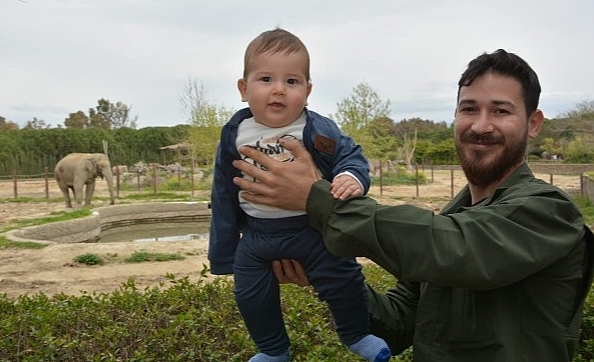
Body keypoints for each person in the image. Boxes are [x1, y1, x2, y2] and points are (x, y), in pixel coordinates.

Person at [231, 49, 594, 362]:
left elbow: (457, 249)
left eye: (500, 111)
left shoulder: (550, 212)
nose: (481, 125)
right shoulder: (455, 216)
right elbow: (400, 321)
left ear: (533, 124)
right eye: (469, 109)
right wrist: (323, 276)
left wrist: (318, 198)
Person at [208, 28, 391, 362]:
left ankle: (356, 334)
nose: (279, 89)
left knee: (344, 277)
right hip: (257, 236)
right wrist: (223, 253)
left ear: (307, 92)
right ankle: (273, 351)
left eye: (292, 82)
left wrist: (351, 176)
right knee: (250, 294)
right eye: (266, 79)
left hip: (312, 231)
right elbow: (222, 191)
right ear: (243, 88)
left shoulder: (317, 129)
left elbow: (350, 155)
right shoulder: (234, 133)